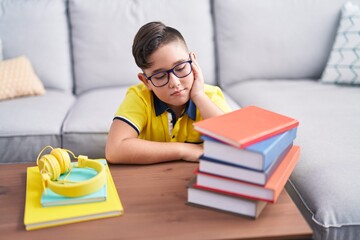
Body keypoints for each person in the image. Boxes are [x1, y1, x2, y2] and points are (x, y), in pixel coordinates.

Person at [105, 21, 231, 164]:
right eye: (160, 76)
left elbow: (235, 142)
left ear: (193, 62)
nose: (174, 82)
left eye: (181, 68)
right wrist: (184, 150)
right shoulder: (140, 97)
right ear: (146, 82)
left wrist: (199, 96)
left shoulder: (209, 96)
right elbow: (114, 150)